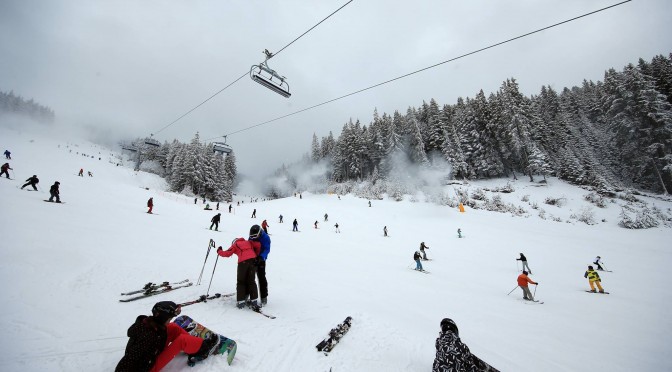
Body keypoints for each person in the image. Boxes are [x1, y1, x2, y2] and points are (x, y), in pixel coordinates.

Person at [115, 301, 218, 372]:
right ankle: (203, 349)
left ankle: (192, 344)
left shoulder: (151, 323)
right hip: (149, 368)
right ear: (162, 318)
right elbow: (128, 361)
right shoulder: (147, 338)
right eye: (169, 318)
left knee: (172, 327)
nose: (170, 320)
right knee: (182, 340)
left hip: (153, 352)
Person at [432, 318, 499, 372]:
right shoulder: (462, 347)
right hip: (465, 359)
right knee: (467, 361)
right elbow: (471, 368)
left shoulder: (439, 345)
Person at [217, 233, 261, 309]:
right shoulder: (248, 242)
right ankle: (254, 301)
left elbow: (227, 253)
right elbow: (258, 245)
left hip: (243, 263)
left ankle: (241, 302)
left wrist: (219, 251)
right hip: (253, 261)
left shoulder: (235, 245)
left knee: (241, 282)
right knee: (251, 281)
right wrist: (255, 255)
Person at [249, 225, 271, 306]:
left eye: (255, 236)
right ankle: (248, 295)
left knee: (261, 277)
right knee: (250, 277)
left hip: (261, 259)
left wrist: (261, 257)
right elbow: (249, 245)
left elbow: (267, 249)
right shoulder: (251, 237)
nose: (253, 238)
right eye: (252, 236)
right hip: (252, 258)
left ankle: (264, 297)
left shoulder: (265, 238)